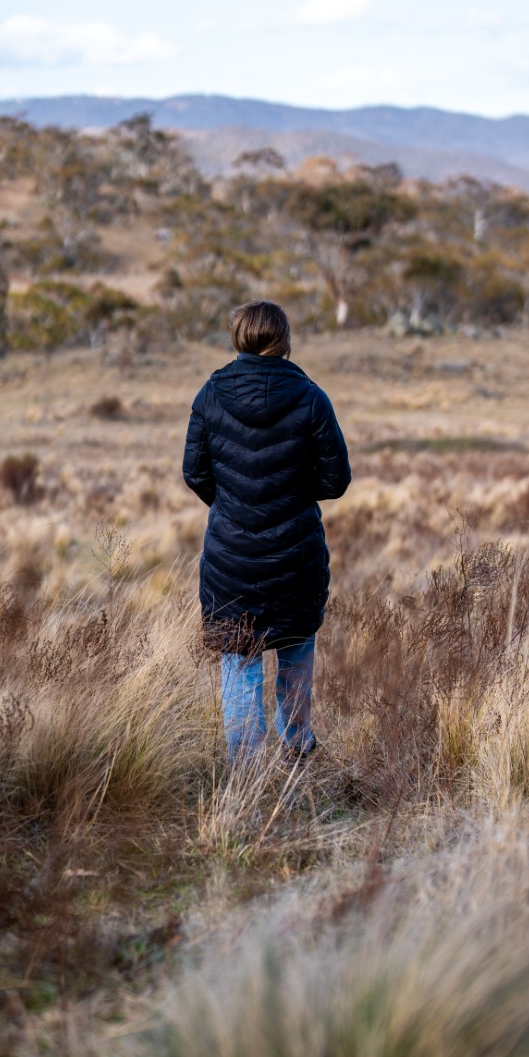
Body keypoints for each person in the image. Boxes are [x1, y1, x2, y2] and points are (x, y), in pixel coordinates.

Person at [182, 300, 351, 762]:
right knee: (296, 648)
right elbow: (337, 480)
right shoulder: (312, 397)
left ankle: (247, 771)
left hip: (230, 557)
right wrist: (293, 498)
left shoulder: (210, 395)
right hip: (296, 555)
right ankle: (297, 750)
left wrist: (233, 505)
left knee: (240, 659)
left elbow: (194, 473)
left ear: (238, 337)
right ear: (284, 339)